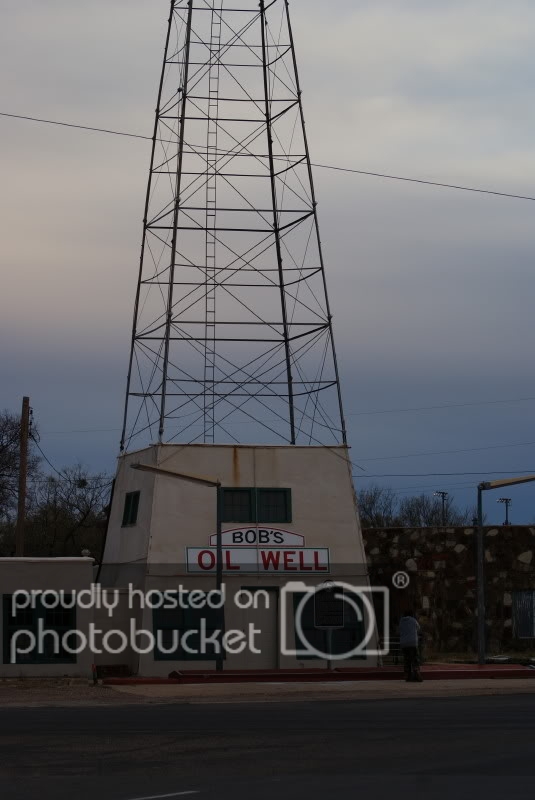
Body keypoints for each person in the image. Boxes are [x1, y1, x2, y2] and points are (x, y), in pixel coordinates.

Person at [399, 610, 423, 682]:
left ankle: (407, 675)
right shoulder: (413, 620)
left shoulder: (401, 621)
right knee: (415, 659)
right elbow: (418, 628)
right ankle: (417, 673)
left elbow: (399, 630)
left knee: (407, 660)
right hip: (413, 643)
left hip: (404, 643)